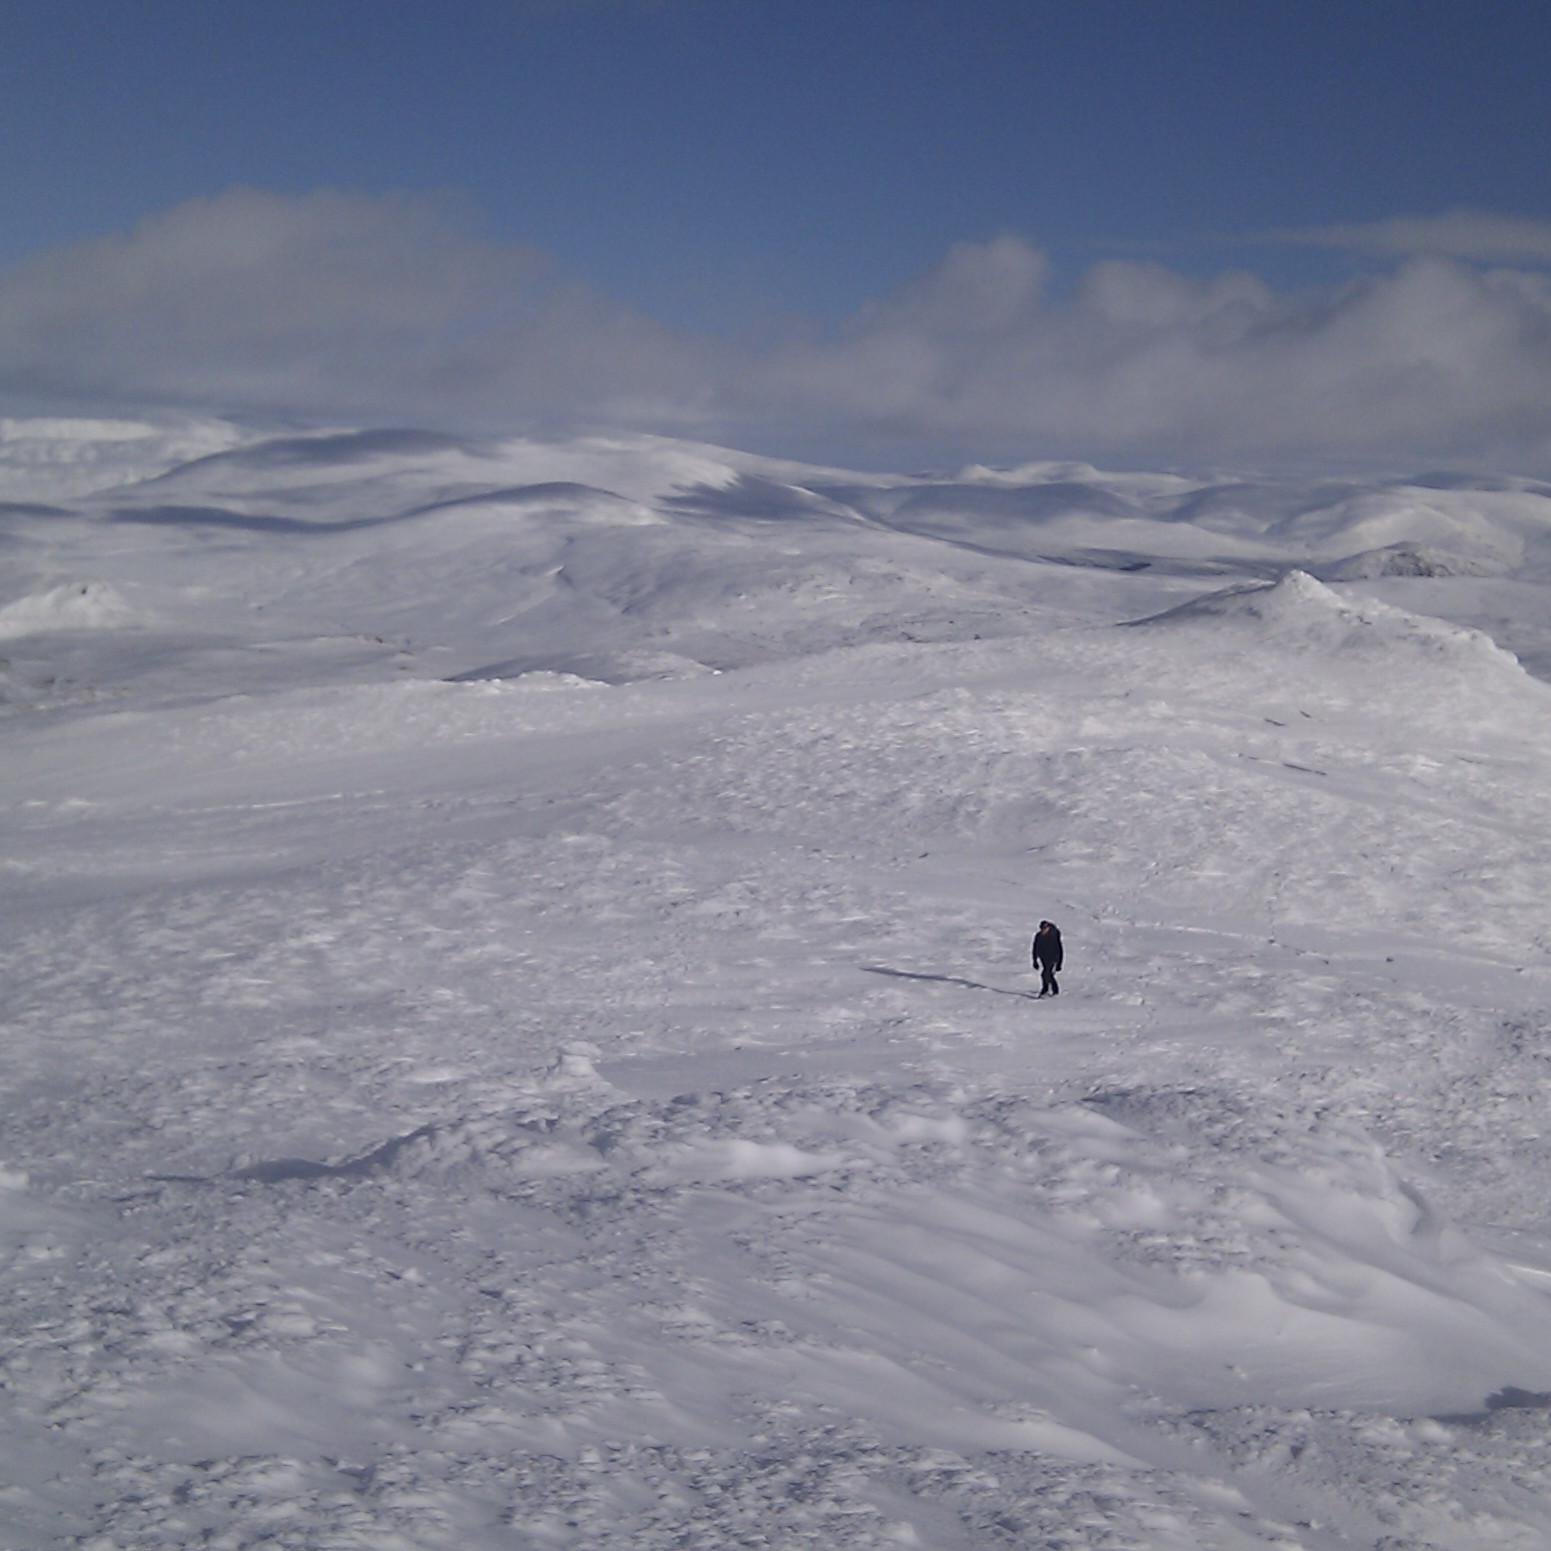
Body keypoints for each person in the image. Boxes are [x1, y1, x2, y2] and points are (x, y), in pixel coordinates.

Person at [1032, 920, 1063, 997]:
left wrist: (1059, 963)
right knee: (1046, 974)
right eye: (1042, 928)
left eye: (1045, 928)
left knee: (1047, 974)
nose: (1043, 930)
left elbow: (1059, 949)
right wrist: (1035, 960)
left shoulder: (1054, 935)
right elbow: (1035, 948)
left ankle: (1048, 990)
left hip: (1053, 958)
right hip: (1044, 958)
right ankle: (1051, 990)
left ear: (1048, 928)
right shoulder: (1038, 936)